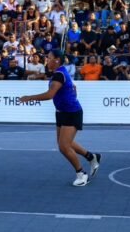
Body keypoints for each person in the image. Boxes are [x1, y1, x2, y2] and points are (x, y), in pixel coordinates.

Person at [18, 51, 101, 187]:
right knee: (64, 143)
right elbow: (72, 86)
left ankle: (81, 174)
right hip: (62, 112)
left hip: (71, 112)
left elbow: (50, 94)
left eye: (49, 58)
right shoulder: (60, 73)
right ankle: (91, 157)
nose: (46, 60)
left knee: (64, 146)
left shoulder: (59, 74)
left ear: (57, 60)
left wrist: (29, 97)